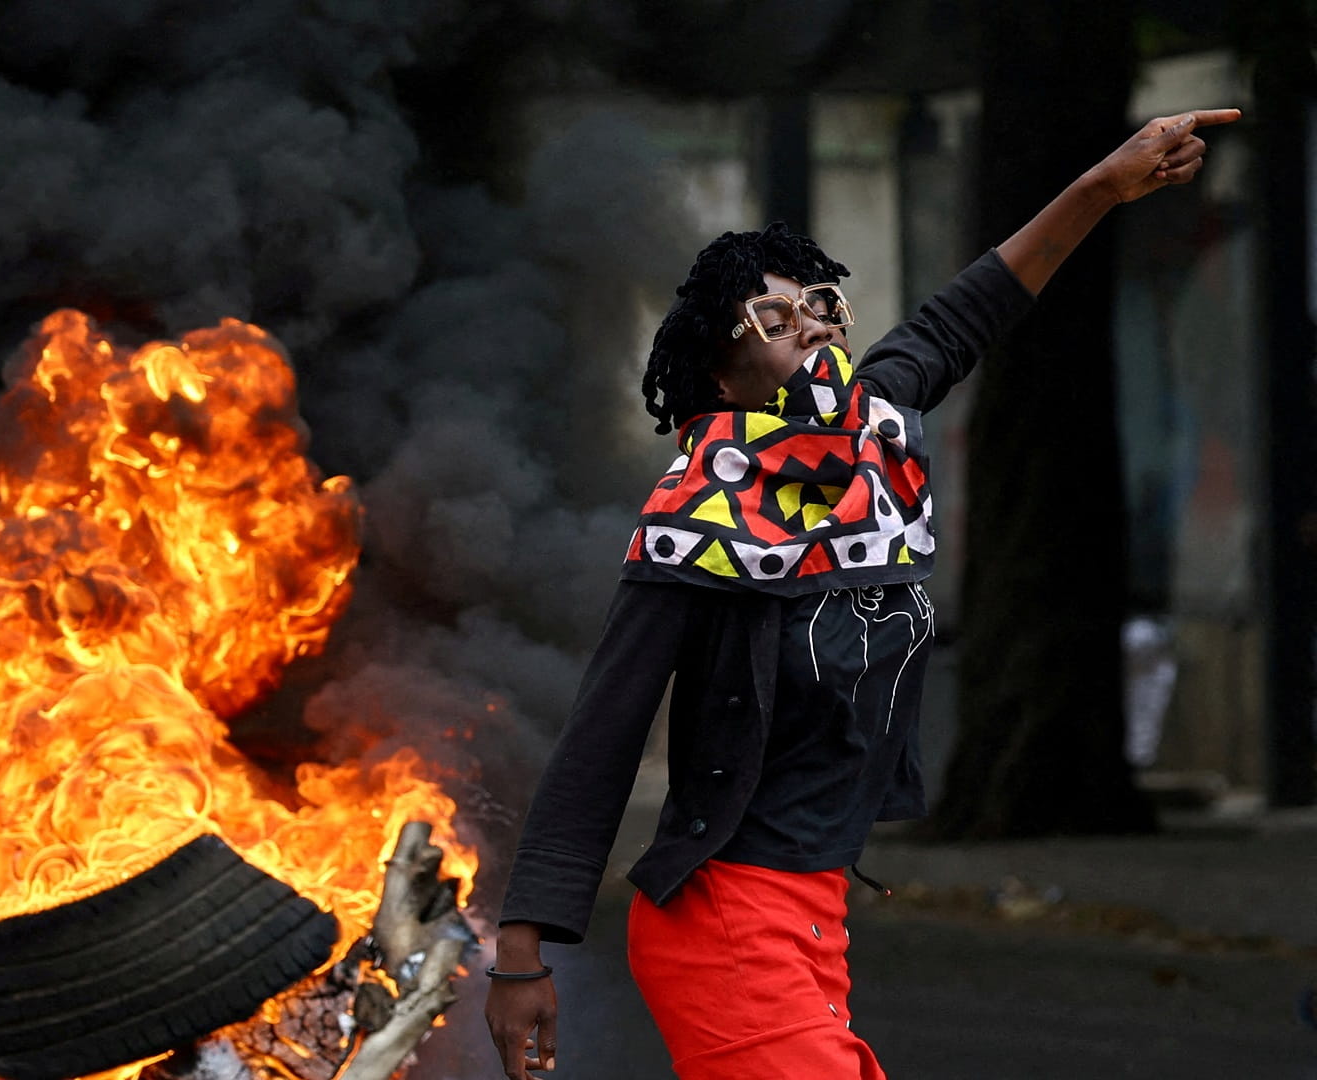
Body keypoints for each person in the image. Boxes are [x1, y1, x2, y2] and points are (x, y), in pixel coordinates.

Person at [483, 108, 1240, 1080]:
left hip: (816, 920)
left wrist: (1103, 183)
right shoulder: (694, 518)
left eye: (823, 308)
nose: (813, 329)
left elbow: (972, 308)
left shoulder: (875, 440)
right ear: (722, 368)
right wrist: (521, 953)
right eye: (775, 319)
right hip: (723, 926)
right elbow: (603, 734)